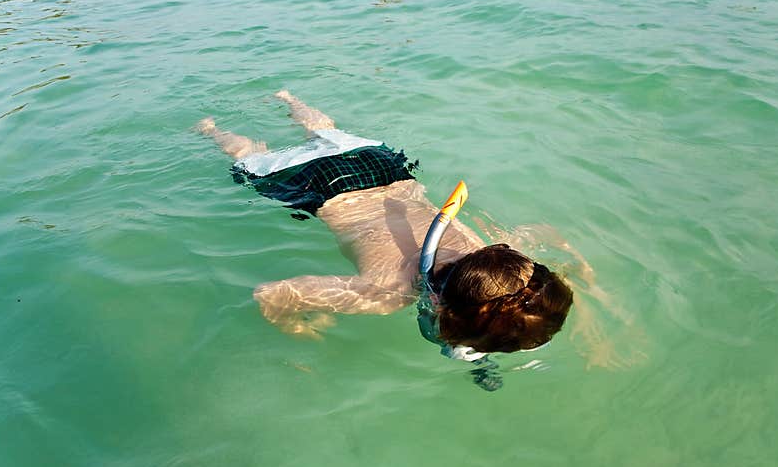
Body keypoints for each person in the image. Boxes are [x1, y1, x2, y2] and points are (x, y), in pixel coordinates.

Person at [198, 90, 577, 361]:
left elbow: (539, 232)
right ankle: (209, 128)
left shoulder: (493, 255)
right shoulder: (388, 294)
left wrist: (578, 266)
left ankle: (289, 98)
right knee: (247, 155)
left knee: (327, 132)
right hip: (321, 187)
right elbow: (270, 293)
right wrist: (294, 327)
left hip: (383, 169)